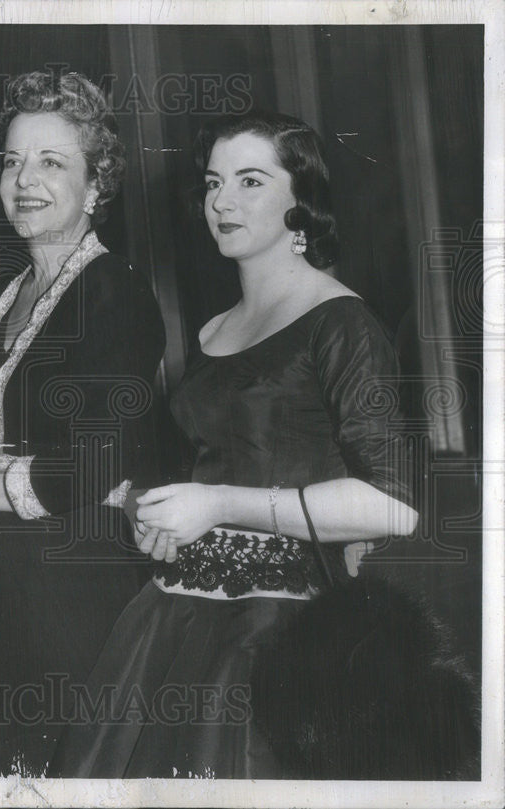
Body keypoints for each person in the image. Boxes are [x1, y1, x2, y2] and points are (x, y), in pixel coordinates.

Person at [48, 110, 420, 779]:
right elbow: (207, 464)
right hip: (170, 614)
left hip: (278, 629)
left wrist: (216, 502)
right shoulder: (216, 327)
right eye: (215, 182)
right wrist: (154, 514)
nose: (221, 201)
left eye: (250, 181)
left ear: (301, 200)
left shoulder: (342, 323)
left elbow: (392, 505)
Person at [0, 72, 167, 777]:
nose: (24, 179)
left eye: (51, 162)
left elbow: (97, 461)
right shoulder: (8, 293)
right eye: (12, 161)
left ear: (96, 185)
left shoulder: (115, 290)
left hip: (69, 591)